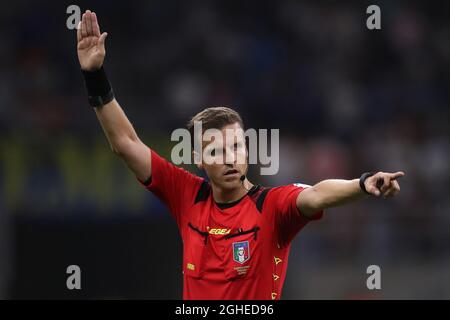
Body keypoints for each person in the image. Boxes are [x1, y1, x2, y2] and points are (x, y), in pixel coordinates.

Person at [76, 10, 404, 300]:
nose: (230, 158)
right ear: (199, 159)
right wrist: (95, 75)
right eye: (217, 151)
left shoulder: (272, 207)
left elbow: (317, 195)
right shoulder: (186, 196)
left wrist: (362, 184)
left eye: (236, 147)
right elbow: (126, 143)